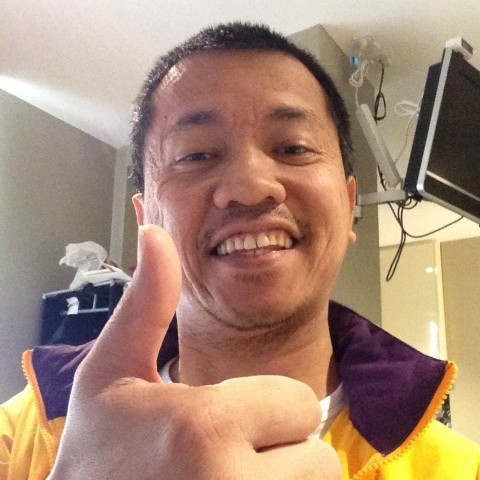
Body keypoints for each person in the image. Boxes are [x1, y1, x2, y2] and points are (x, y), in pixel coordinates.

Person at [1, 22, 479, 480]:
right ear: (146, 219)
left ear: (349, 201)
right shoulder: (19, 437)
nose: (251, 187)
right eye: (196, 155)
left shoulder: (460, 469)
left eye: (294, 148)